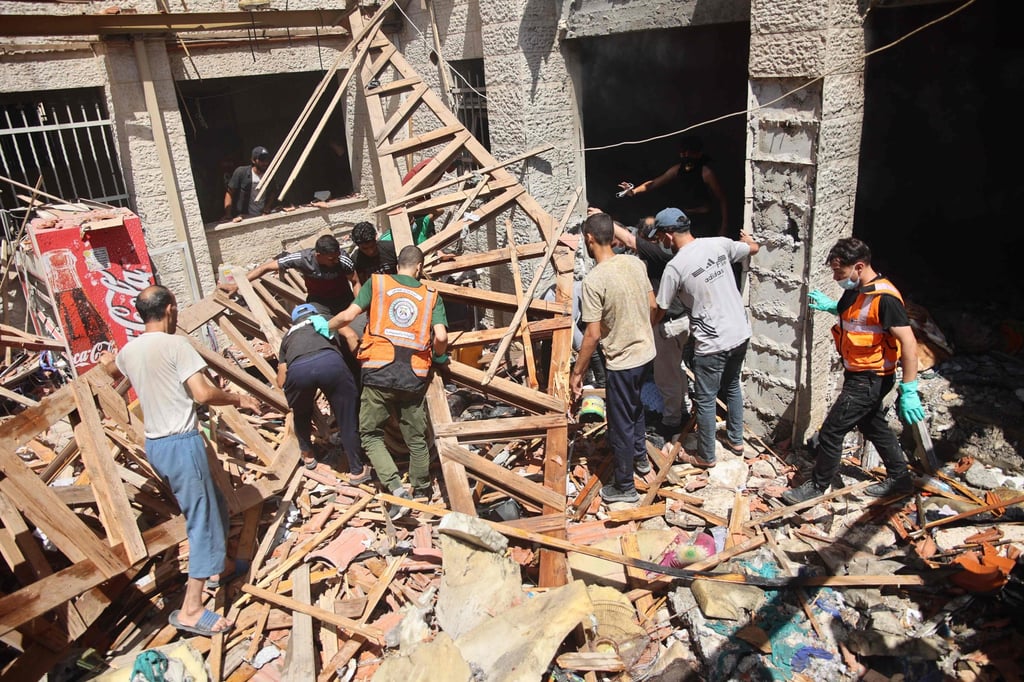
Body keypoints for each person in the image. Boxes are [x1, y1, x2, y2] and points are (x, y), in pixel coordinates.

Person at [99, 285, 261, 637]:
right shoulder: (176, 345)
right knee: (201, 521)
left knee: (213, 502)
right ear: (171, 310)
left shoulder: (129, 351)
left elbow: (110, 369)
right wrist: (237, 398)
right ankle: (191, 609)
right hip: (181, 442)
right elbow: (202, 393)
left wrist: (105, 362)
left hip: (156, 444)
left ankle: (222, 566)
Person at [783, 238, 923, 503]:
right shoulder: (856, 289)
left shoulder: (885, 298)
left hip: (871, 378)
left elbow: (909, 342)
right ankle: (901, 480)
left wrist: (910, 388)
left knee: (833, 430)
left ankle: (816, 486)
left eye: (840, 272)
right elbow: (855, 316)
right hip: (857, 373)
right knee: (872, 425)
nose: (837, 277)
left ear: (859, 267)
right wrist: (831, 307)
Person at [327, 245, 448, 520]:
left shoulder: (378, 283)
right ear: (419, 268)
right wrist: (439, 357)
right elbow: (440, 337)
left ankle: (395, 488)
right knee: (417, 438)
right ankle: (421, 492)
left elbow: (347, 316)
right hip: (413, 374)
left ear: (398, 266)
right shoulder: (430, 295)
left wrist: (326, 325)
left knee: (370, 433)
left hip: (379, 370)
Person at [654, 208, 760, 468]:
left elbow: (660, 309)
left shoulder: (674, 268)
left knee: (706, 397)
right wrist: (747, 240)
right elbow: (753, 248)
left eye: (660, 237)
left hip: (712, 342)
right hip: (740, 332)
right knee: (732, 385)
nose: (660, 243)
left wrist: (647, 326)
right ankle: (736, 440)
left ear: (669, 235)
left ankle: (706, 455)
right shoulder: (718, 244)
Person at [570, 212, 657, 505]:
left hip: (622, 360)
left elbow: (592, 335)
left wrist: (577, 373)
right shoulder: (634, 263)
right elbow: (653, 305)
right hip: (646, 352)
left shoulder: (593, 281)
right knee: (635, 408)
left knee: (619, 422)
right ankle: (641, 459)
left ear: (589, 239)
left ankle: (624, 485)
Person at [604, 209, 692, 441]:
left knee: (666, 376)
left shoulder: (660, 252)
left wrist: (605, 222)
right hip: (679, 320)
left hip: (668, 325)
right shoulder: (672, 252)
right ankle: (682, 411)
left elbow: (631, 240)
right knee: (676, 370)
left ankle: (672, 422)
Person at [277, 302, 369, 483]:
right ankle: (357, 471)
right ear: (313, 313)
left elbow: (281, 379)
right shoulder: (324, 319)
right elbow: (350, 335)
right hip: (330, 362)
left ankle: (308, 455)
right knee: (346, 416)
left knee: (301, 413)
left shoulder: (287, 337)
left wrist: (296, 394)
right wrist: (360, 365)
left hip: (298, 370)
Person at [618, 135, 729, 238]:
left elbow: (722, 200)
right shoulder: (677, 170)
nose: (685, 156)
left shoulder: (706, 173)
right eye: (683, 153)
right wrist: (634, 191)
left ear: (697, 154)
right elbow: (654, 183)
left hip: (703, 221)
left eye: (688, 153)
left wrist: (724, 227)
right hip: (685, 219)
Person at [223, 146, 278, 221]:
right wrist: (228, 214)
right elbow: (229, 193)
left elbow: (273, 193)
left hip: (263, 215)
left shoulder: (269, 175)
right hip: (244, 216)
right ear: (253, 160)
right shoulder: (241, 172)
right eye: (262, 160)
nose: (265, 163)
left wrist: (267, 207)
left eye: (267, 160)